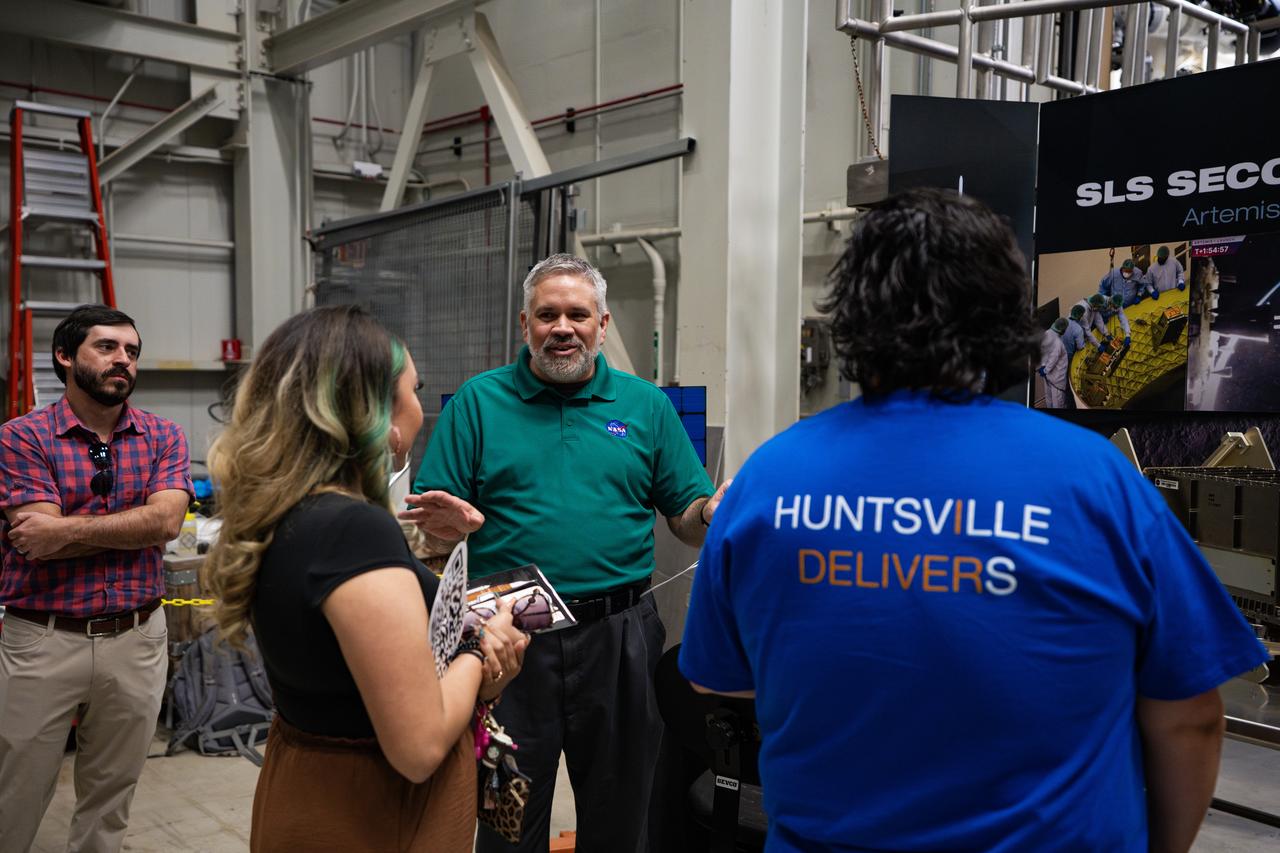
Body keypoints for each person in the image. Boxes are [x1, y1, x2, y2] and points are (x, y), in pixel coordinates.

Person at [679, 188, 1268, 853]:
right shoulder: (1095, 479)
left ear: (851, 313)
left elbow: (716, 676)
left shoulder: (769, 479)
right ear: (1001, 314)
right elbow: (1190, 715)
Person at [402, 253, 727, 853]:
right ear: (525, 325)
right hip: (505, 644)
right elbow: (431, 535)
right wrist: (449, 529)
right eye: (546, 314)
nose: (562, 327)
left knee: (623, 809)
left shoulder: (644, 406)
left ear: (602, 326)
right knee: (505, 816)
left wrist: (711, 513)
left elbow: (685, 515)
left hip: (620, 639)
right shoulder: (477, 403)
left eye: (578, 314)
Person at [200, 305, 529, 852]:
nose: (421, 407)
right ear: (373, 410)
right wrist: (479, 648)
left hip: (310, 781)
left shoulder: (288, 512)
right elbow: (419, 746)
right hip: (372, 809)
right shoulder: (352, 530)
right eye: (413, 388)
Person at [0, 304, 193, 852]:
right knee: (16, 790)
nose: (122, 360)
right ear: (65, 357)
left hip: (137, 636)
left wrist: (65, 531)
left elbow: (168, 521)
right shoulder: (21, 437)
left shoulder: (163, 436)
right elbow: (32, 538)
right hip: (42, 637)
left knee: (112, 793)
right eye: (106, 347)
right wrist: (134, 525)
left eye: (131, 351)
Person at [1038, 324, 1070, 408]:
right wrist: (1045, 370)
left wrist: (1043, 366)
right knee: (1058, 404)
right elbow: (1053, 359)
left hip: (1047, 375)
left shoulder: (1047, 333)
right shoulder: (1058, 343)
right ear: (1062, 330)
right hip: (1056, 379)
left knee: (1049, 398)